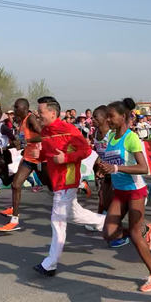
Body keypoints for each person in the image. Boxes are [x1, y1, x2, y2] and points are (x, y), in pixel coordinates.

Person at [32, 97, 106, 276]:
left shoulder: (69, 129)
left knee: (57, 220)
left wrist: (65, 158)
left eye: (40, 112)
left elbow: (86, 151)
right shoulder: (46, 131)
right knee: (75, 215)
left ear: (53, 113)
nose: (38, 114)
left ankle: (50, 264)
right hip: (57, 181)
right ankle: (106, 222)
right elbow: (49, 153)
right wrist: (39, 154)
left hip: (68, 179)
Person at [100, 98, 151, 292]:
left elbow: (144, 168)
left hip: (135, 191)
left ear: (123, 116)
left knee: (134, 234)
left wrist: (116, 167)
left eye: (111, 116)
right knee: (109, 233)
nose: (108, 119)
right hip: (120, 192)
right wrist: (104, 168)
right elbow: (112, 164)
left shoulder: (131, 137)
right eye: (107, 116)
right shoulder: (110, 137)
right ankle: (144, 230)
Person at [0, 98, 46, 231]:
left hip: (39, 158)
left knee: (51, 186)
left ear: (24, 108)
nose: (14, 110)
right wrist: (8, 147)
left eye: (16, 107)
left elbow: (43, 136)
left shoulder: (31, 119)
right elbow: (22, 142)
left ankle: (80, 184)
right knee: (16, 185)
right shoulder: (22, 122)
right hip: (28, 159)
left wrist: (27, 141)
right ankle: (14, 219)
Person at [92, 105, 114, 216]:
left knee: (107, 196)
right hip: (103, 167)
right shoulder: (95, 132)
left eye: (95, 117)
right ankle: (100, 218)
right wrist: (96, 166)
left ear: (105, 118)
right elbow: (99, 153)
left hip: (115, 168)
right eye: (92, 117)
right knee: (102, 195)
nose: (92, 120)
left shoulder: (112, 133)